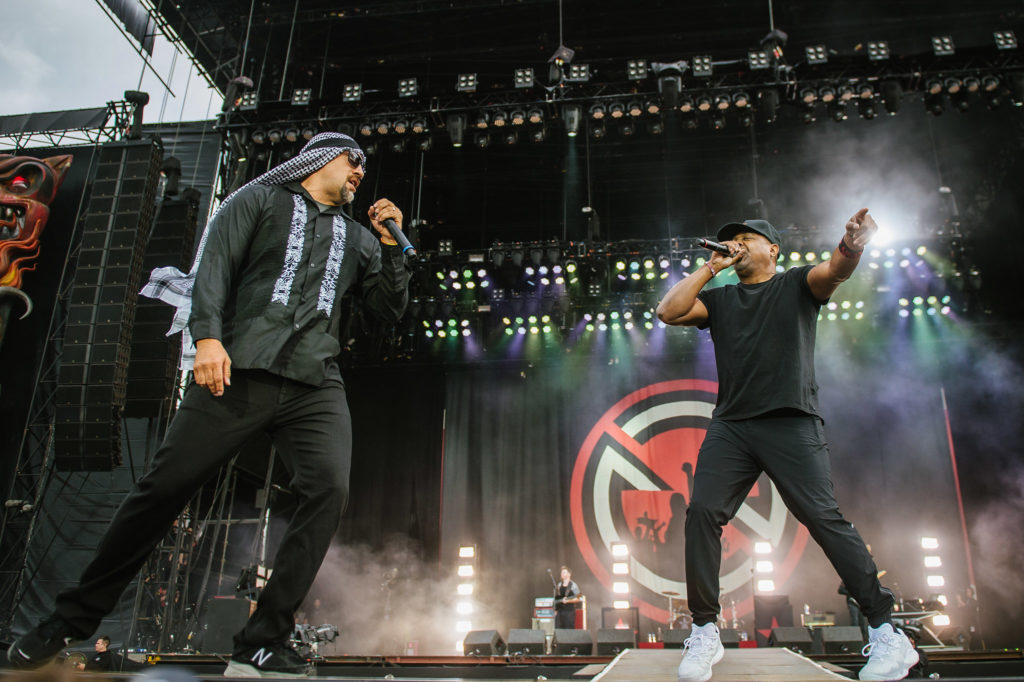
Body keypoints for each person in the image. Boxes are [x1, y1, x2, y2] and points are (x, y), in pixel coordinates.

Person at [8, 133, 411, 678]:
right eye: (352, 159)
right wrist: (208, 339)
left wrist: (393, 250)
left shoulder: (362, 240)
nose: (361, 171)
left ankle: (264, 639)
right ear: (318, 159)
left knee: (329, 490)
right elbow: (215, 269)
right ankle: (68, 621)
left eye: (365, 165)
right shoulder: (259, 201)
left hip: (314, 383)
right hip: (238, 368)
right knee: (163, 489)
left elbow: (386, 311)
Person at [656, 214, 918, 682]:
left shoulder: (796, 285)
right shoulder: (719, 299)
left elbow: (834, 271)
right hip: (732, 425)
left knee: (822, 517)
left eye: (745, 240)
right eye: (729, 241)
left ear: (773, 249)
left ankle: (886, 632)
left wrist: (850, 244)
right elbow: (669, 311)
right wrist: (712, 267)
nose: (735, 246)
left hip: (790, 421)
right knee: (701, 513)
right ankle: (704, 631)